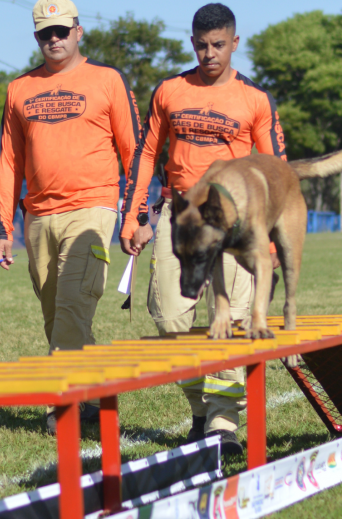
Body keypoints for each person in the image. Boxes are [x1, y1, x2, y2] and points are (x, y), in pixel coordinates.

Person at [119, 3, 287, 455]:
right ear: (191, 43)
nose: (209, 53)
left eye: (218, 45)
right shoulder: (170, 90)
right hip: (179, 218)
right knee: (168, 315)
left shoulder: (255, 99)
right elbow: (145, 155)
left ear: (235, 43)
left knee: (229, 321)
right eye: (201, 45)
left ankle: (222, 424)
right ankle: (199, 409)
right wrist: (135, 218)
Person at [0, 0, 142, 433]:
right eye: (45, 33)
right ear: (36, 38)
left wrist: (135, 214)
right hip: (38, 215)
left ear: (79, 31)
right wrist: (2, 226)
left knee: (74, 303)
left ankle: (63, 403)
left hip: (93, 208)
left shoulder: (108, 80)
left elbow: (135, 152)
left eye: (61, 30)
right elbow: (9, 161)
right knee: (57, 315)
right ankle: (93, 397)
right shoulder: (19, 88)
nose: (54, 39)